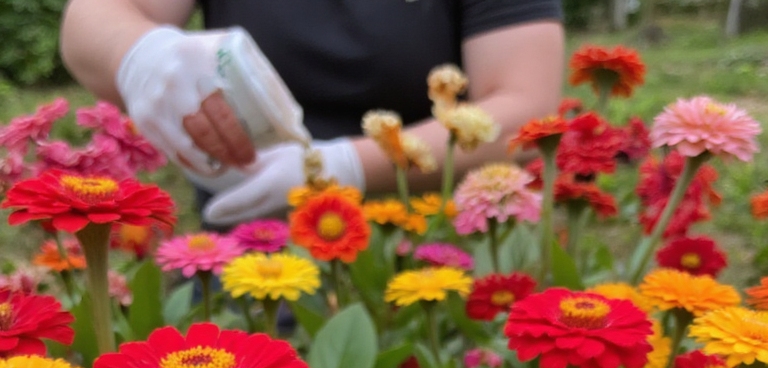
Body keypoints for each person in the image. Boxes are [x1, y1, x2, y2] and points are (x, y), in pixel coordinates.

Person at [59, 0, 565, 225]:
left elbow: (526, 106)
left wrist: (341, 168)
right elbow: (89, 23)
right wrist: (140, 54)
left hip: (440, 255)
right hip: (252, 257)